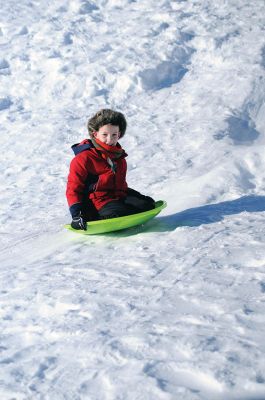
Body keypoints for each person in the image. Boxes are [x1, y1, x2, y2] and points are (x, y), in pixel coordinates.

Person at [66, 109, 155, 230]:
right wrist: (77, 215)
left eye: (114, 135)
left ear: (119, 134)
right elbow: (73, 188)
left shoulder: (119, 157)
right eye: (105, 135)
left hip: (117, 196)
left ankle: (120, 211)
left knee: (148, 205)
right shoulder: (84, 158)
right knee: (120, 213)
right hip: (96, 202)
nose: (110, 139)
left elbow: (120, 184)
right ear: (95, 134)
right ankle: (91, 218)